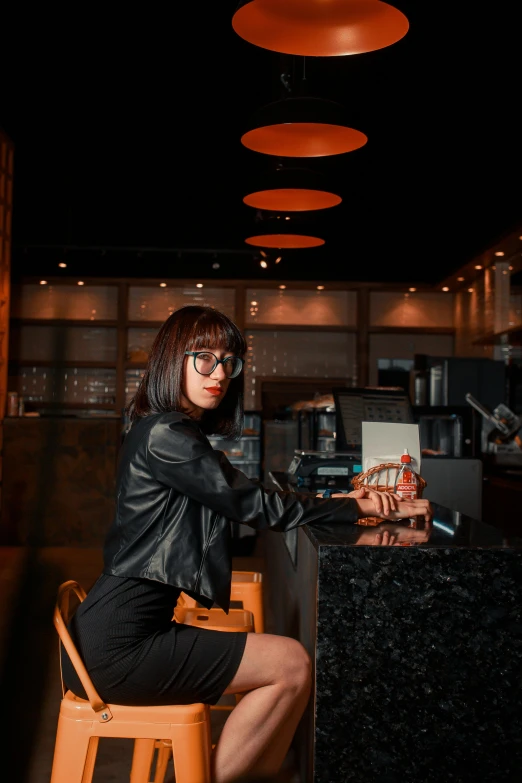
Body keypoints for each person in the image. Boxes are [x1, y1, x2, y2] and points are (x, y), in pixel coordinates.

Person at [61, 304, 432, 783]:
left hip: (115, 634)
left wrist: (349, 498)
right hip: (118, 645)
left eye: (228, 362)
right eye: (204, 358)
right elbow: (259, 507)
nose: (220, 373)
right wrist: (358, 506)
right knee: (291, 665)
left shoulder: (170, 431)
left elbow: (256, 494)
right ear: (173, 358)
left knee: (289, 664)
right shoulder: (166, 434)